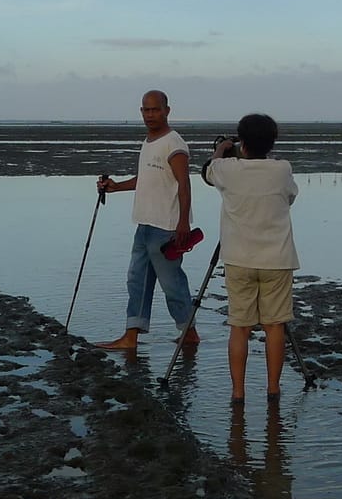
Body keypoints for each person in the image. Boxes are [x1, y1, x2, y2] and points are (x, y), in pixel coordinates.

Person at [201, 113, 299, 402]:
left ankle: (238, 392)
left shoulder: (227, 169)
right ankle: (273, 388)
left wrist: (221, 147)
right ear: (272, 142)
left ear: (241, 141)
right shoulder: (282, 169)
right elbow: (290, 196)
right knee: (274, 326)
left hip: (238, 258)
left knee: (240, 328)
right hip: (277, 258)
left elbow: (208, 170)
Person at [94, 90, 200, 349]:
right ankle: (130, 337)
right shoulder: (149, 140)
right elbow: (148, 180)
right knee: (136, 281)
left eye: (155, 109)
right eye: (146, 110)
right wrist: (115, 187)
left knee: (172, 284)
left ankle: (189, 333)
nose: (150, 115)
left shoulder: (174, 144)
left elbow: (184, 185)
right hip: (144, 224)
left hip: (166, 228)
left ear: (167, 110)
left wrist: (183, 223)